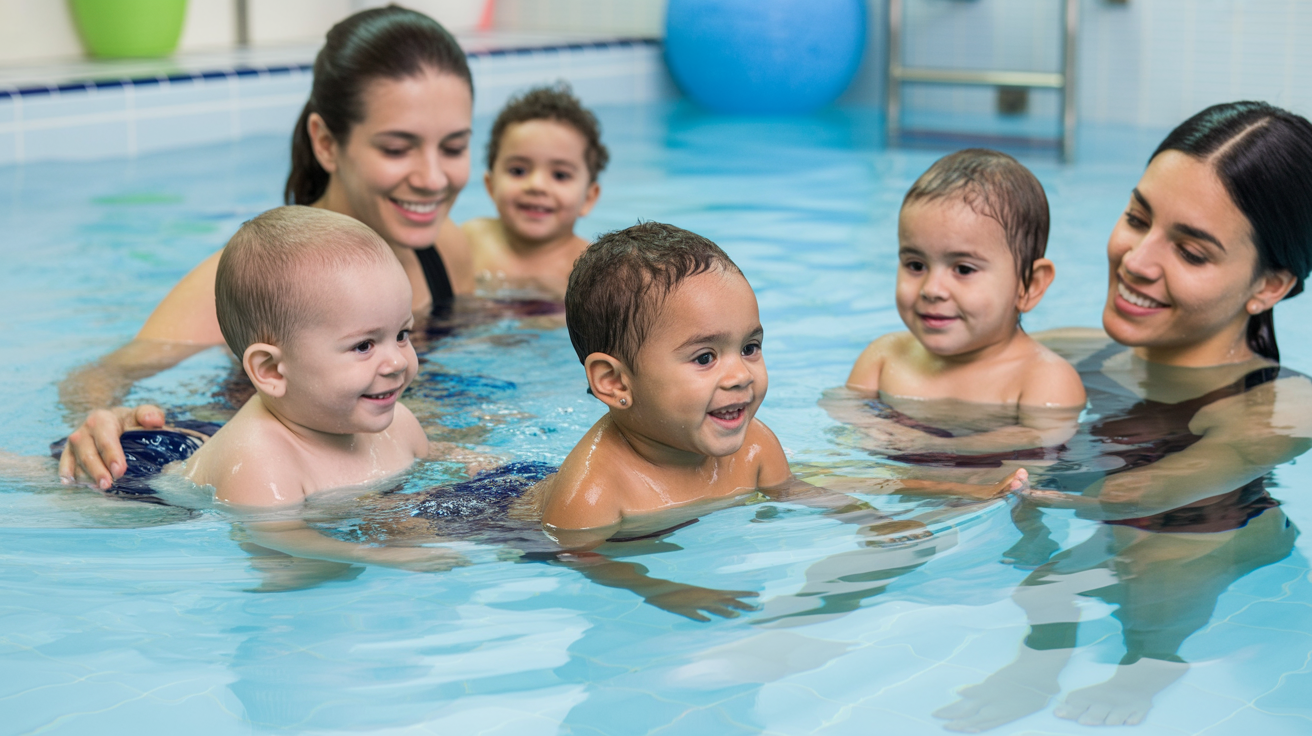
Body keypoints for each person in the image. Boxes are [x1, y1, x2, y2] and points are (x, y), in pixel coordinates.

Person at [934, 101, 1312, 731]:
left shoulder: (1282, 401)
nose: (1137, 260)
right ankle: (1043, 656)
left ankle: (1152, 660)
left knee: (1162, 552)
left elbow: (1156, 488)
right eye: (1138, 218)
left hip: (1204, 538)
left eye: (1191, 252)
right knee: (1043, 570)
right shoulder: (1072, 352)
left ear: (1268, 286)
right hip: (1095, 511)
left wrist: (1028, 480)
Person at [58, 6, 477, 491]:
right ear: (325, 143)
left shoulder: (445, 249)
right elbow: (102, 374)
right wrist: (102, 423)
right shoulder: (253, 278)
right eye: (396, 148)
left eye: (453, 148)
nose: (432, 179)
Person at [517, 222, 1028, 551]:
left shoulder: (754, 447)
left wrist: (876, 519)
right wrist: (663, 591)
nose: (740, 374)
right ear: (615, 382)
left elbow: (807, 494)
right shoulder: (593, 492)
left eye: (751, 347)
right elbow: (581, 562)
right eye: (705, 357)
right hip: (499, 515)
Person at [826, 149, 1085, 457]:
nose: (932, 289)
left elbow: (1041, 444)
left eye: (963, 269)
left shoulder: (1043, 379)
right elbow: (841, 420)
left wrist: (937, 446)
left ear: (1029, 285)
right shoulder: (883, 359)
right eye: (915, 264)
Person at [461, 84, 607, 299]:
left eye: (560, 175)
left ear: (588, 198)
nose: (537, 185)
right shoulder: (468, 241)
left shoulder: (591, 271)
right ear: (490, 185)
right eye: (518, 170)